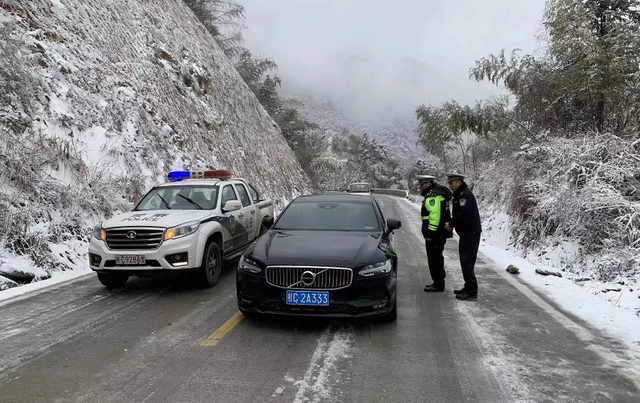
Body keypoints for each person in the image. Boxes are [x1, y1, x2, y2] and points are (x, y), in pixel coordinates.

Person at [445, 174, 482, 301]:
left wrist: (451, 224)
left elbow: (463, 214)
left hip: (470, 233)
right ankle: (468, 286)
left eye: (451, 183)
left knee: (467, 262)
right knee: (464, 261)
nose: (450, 186)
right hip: (466, 233)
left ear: (458, 182)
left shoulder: (465, 195)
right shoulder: (460, 195)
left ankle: (472, 291)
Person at [418, 175, 452, 292]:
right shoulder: (438, 193)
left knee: (434, 259)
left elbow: (434, 217)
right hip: (440, 232)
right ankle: (438, 281)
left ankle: (438, 284)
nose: (421, 187)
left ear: (428, 183)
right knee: (437, 258)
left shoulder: (433, 196)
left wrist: (430, 234)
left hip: (435, 234)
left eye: (422, 185)